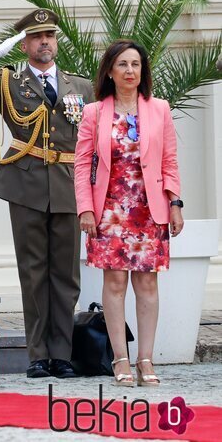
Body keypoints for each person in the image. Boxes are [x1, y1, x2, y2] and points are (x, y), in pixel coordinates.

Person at [0, 8, 93, 379]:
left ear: (56, 42)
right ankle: (37, 355)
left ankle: (61, 355)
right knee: (33, 273)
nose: (44, 42)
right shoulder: (8, 83)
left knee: (66, 274)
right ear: (25, 44)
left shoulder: (81, 86)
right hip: (26, 183)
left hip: (67, 184)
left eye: (50, 36)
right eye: (36, 37)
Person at [74, 40, 183, 387]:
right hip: (109, 209)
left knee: (147, 282)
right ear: (110, 71)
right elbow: (81, 165)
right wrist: (86, 209)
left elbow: (169, 161)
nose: (130, 71)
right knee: (116, 281)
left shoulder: (159, 109)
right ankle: (120, 359)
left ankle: (145, 360)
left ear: (143, 71)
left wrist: (175, 203)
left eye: (136, 65)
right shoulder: (94, 112)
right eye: (122, 64)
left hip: (149, 208)